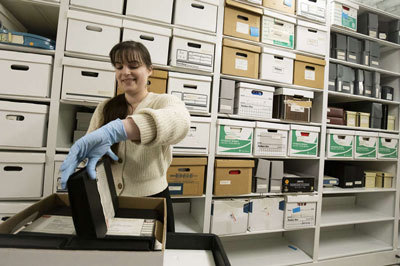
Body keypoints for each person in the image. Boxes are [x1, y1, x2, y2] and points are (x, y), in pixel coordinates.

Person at [60, 40, 191, 232]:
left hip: (153, 200)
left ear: (149, 70)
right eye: (119, 67)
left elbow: (180, 121)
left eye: (133, 65)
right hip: (108, 200)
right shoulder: (106, 107)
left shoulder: (163, 101)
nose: (125, 72)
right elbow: (89, 150)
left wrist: (120, 129)